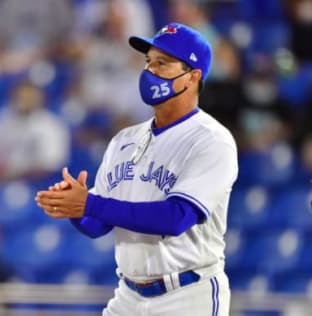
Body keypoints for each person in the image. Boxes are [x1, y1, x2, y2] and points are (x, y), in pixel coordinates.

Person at [36, 23, 238, 315]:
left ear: (192, 77)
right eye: (148, 62)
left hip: (188, 295)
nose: (149, 71)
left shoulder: (211, 139)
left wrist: (90, 203)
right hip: (128, 296)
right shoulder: (123, 140)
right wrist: (75, 209)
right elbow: (98, 225)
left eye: (162, 63)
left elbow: (176, 218)